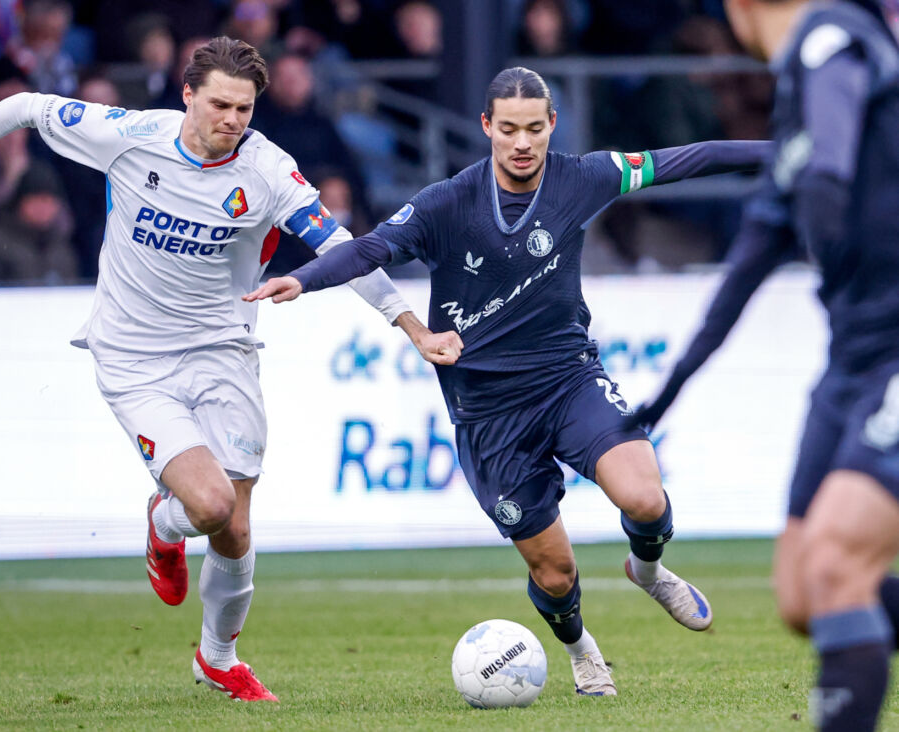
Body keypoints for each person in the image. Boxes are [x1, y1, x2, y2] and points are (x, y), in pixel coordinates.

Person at [0, 36, 460, 702]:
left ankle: (217, 659)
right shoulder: (129, 136)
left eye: (245, 108)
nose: (234, 119)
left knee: (235, 526)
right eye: (220, 104)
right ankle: (162, 523)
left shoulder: (269, 171)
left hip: (222, 350)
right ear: (187, 95)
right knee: (208, 505)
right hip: (135, 356)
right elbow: (26, 107)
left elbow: (343, 248)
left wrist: (411, 327)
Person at [246, 66, 771, 696]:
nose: (522, 143)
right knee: (555, 572)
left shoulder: (586, 176)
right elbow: (371, 249)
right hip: (489, 411)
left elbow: (689, 158)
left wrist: (789, 153)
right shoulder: (447, 203)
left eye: (534, 129)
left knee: (646, 500)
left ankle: (649, 570)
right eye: (509, 130)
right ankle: (581, 650)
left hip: (567, 379)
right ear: (488, 128)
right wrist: (305, 278)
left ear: (552, 125)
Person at [624, 1, 899, 729]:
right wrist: (667, 394)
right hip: (852, 363)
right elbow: (740, 278)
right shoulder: (792, 116)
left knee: (840, 561)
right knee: (804, 592)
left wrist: (829, 200)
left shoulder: (830, 37)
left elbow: (831, 168)